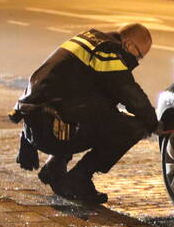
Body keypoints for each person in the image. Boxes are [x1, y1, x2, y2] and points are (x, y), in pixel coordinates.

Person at [11, 23, 157, 204]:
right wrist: (153, 122)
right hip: (50, 128)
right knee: (134, 127)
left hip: (37, 122)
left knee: (101, 105)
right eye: (139, 55)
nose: (137, 60)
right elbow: (129, 92)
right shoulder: (107, 52)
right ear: (127, 45)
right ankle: (79, 178)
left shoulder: (90, 39)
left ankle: (55, 166)